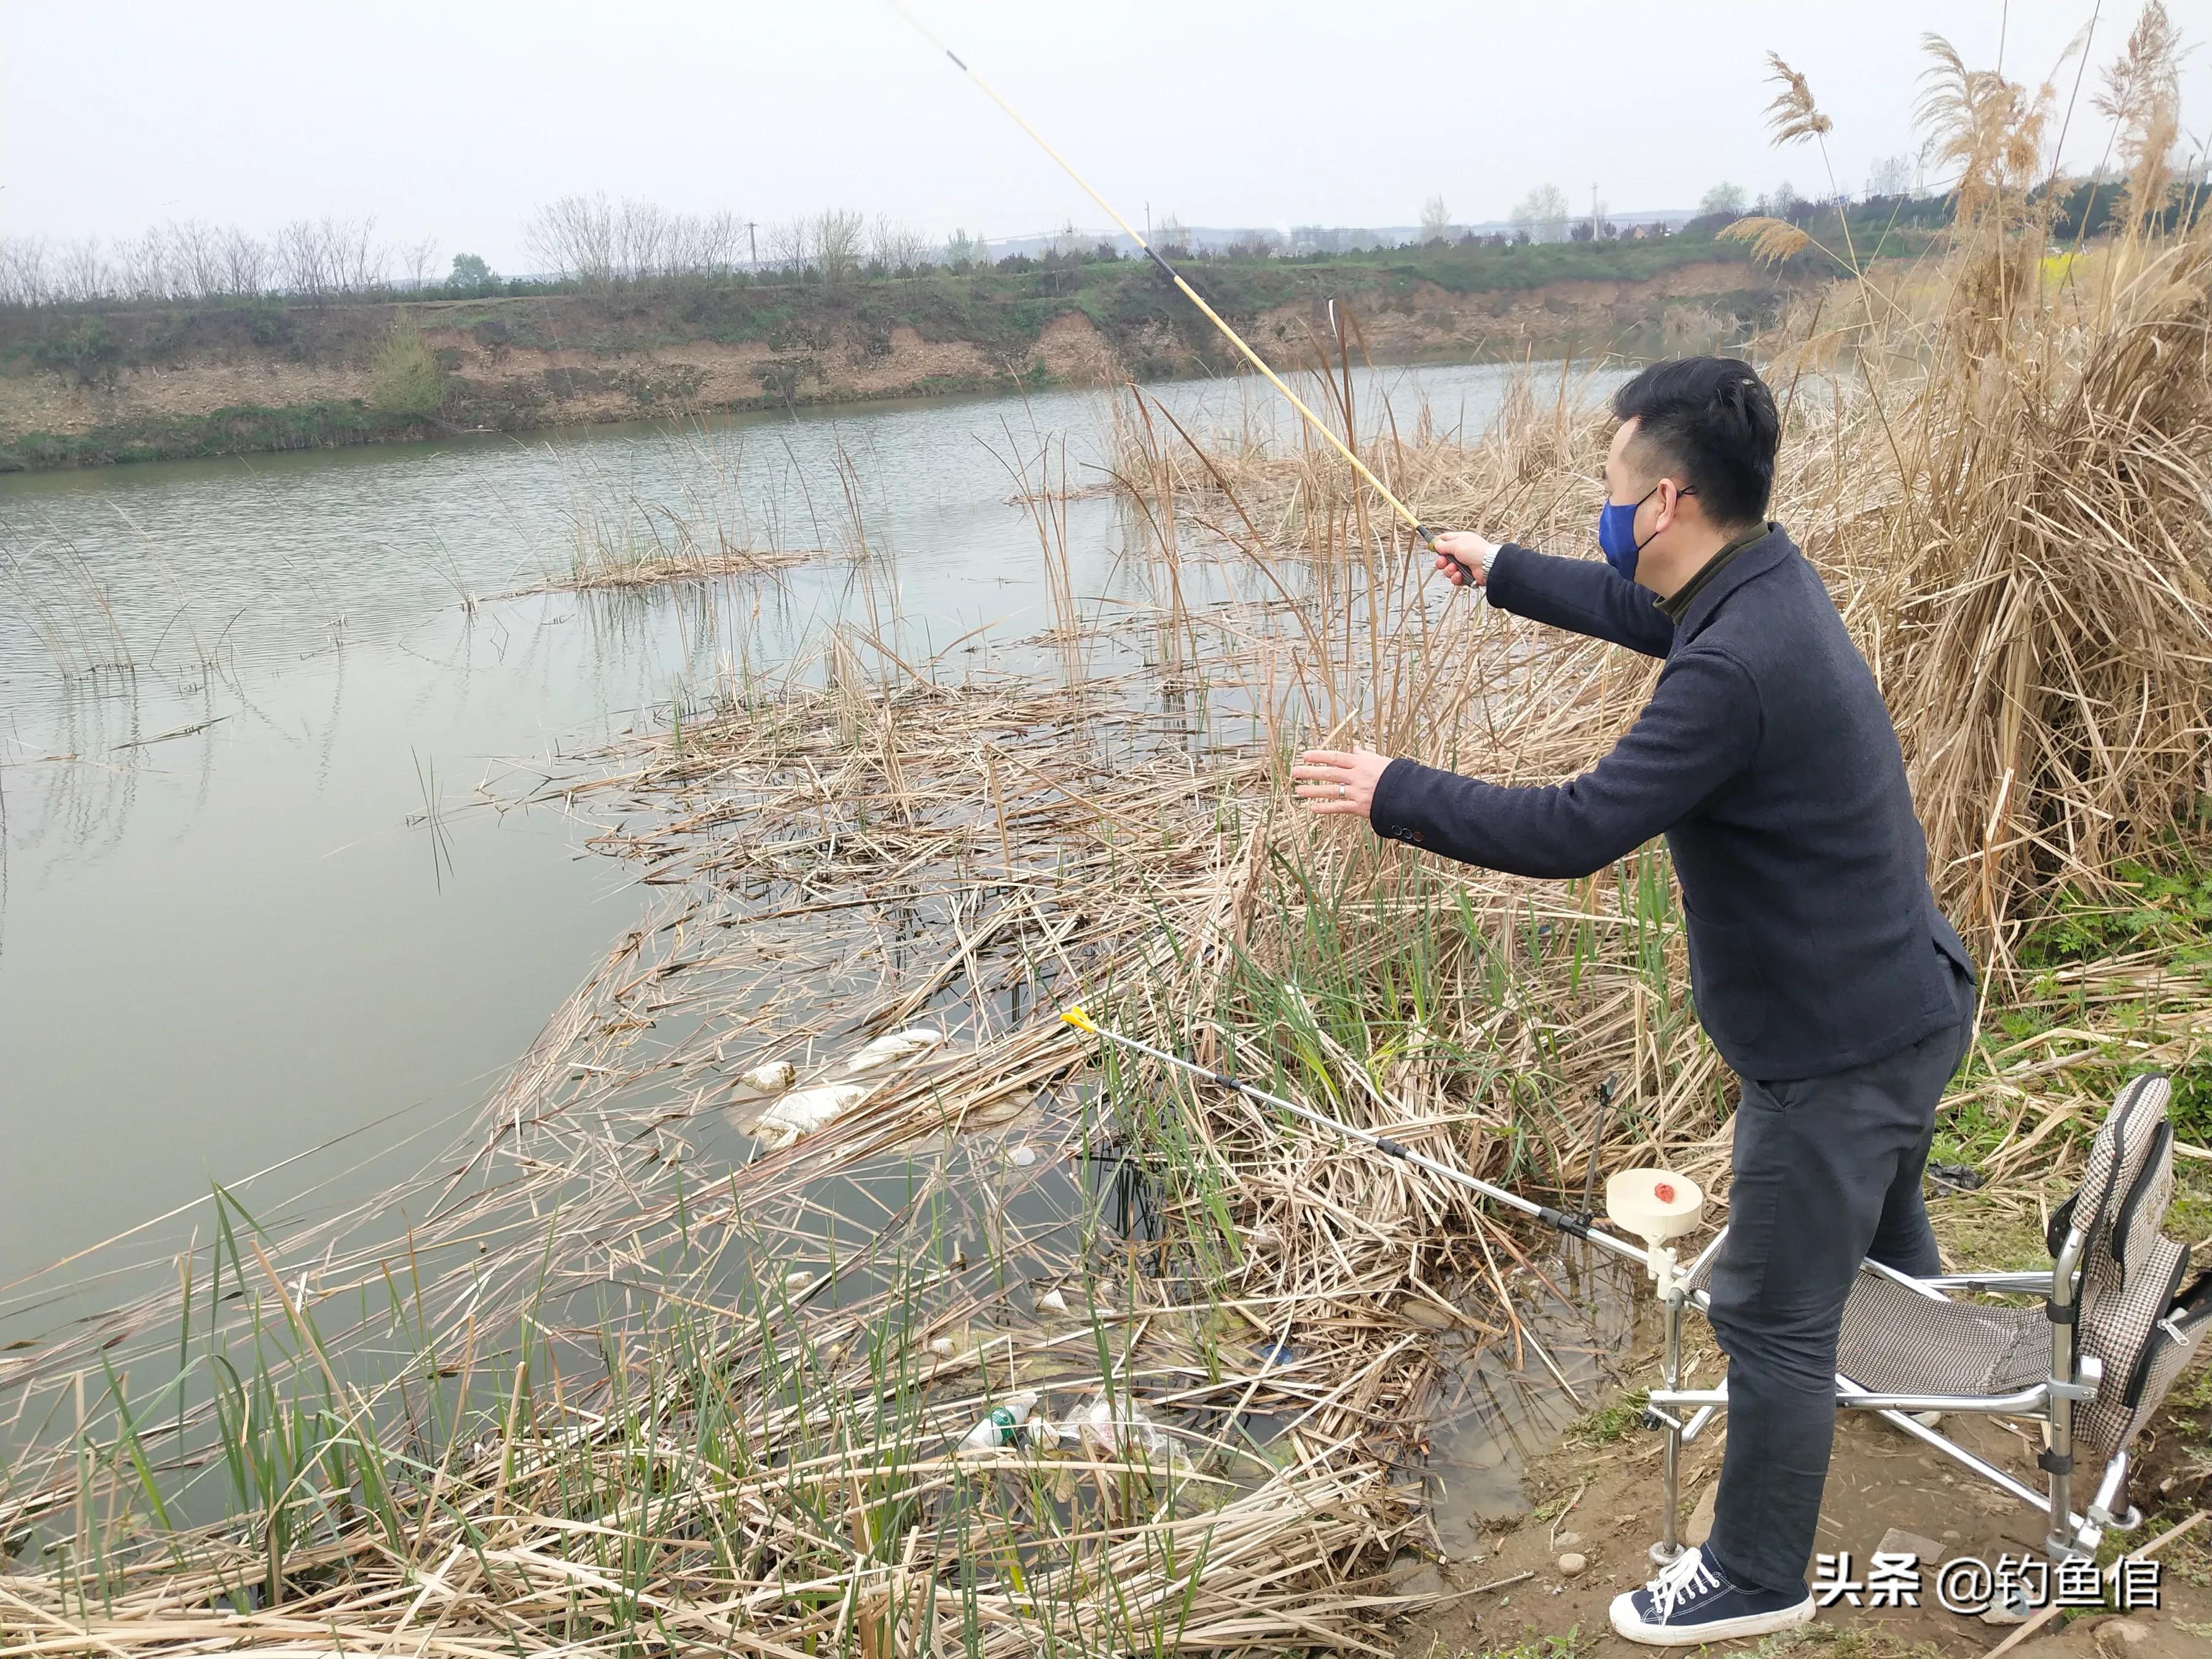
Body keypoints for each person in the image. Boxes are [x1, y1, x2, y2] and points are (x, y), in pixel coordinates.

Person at [1290, 356, 1975, 1647]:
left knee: (1768, 1315)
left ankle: (1758, 1576)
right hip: (1910, 1000)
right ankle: (1925, 1371)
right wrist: (1502, 568)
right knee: (1881, 1203)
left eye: (1610, 483)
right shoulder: (1761, 581)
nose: (1603, 505)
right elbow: (1640, 609)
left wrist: (1393, 791)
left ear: (1664, 502)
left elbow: (1576, 828)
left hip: (1837, 1051)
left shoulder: (1732, 669)